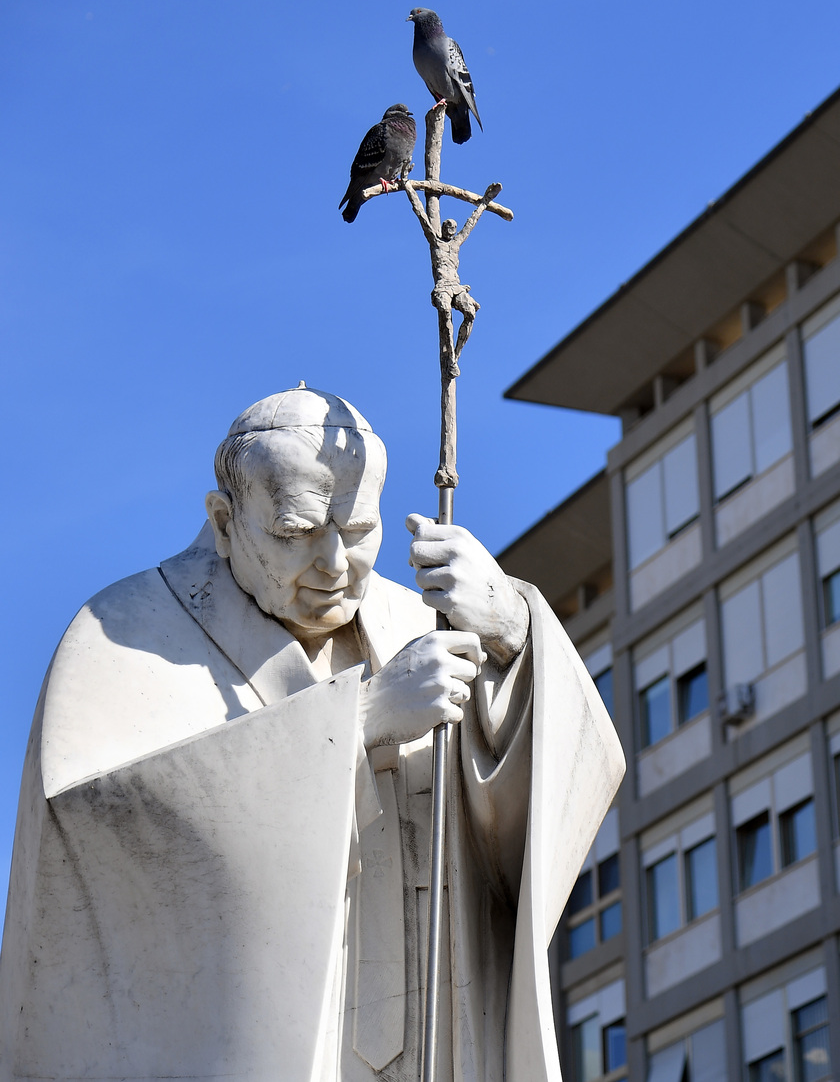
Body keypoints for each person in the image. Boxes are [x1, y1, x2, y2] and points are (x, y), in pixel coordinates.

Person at [0, 386, 624, 1082]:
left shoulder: (427, 628)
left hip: (441, 1039)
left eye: (357, 531)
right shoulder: (127, 633)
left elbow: (541, 820)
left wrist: (514, 633)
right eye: (296, 533)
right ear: (225, 518)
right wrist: (357, 723)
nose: (333, 564)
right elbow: (94, 846)